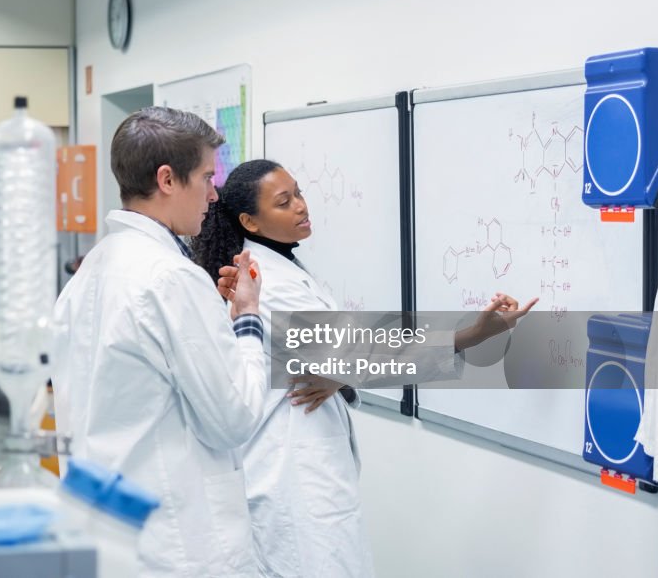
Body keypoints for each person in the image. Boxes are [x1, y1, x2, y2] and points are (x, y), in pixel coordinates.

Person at [192, 159, 537, 578]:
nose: (301, 206)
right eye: (284, 202)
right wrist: (470, 335)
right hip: (294, 476)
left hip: (303, 466)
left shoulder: (281, 268)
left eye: (299, 192)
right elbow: (365, 355)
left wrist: (340, 373)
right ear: (251, 221)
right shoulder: (269, 281)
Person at [51, 107, 269, 577]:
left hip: (111, 536)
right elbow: (234, 418)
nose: (214, 195)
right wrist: (247, 319)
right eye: (207, 178)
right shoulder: (170, 278)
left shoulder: (93, 269)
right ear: (167, 179)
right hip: (176, 544)